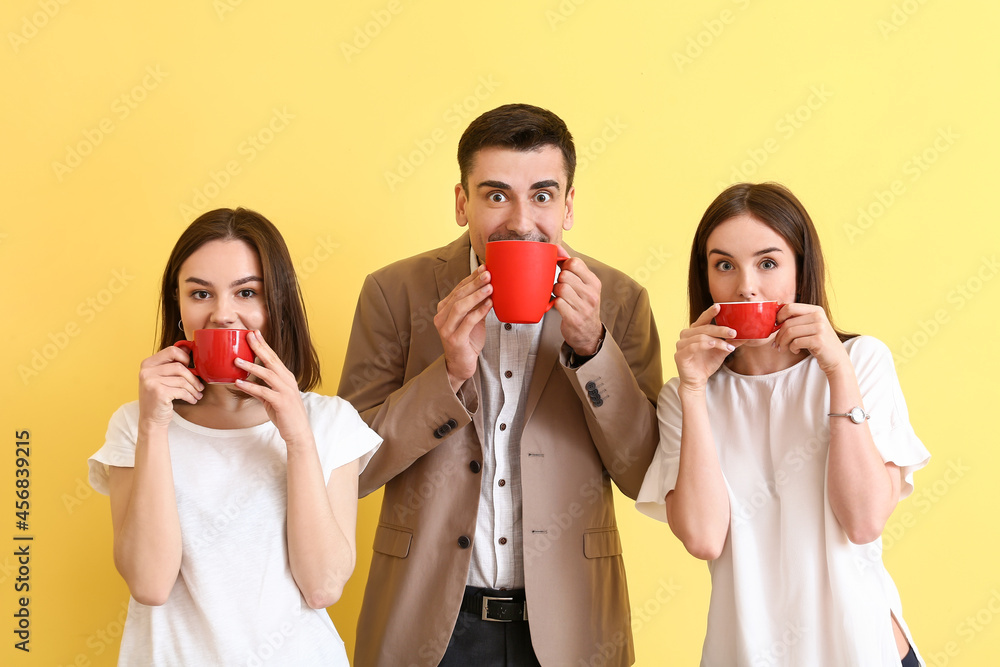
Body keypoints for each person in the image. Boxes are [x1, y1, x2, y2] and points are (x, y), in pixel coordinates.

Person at [339, 103, 661, 666]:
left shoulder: (621, 300)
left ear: (568, 204)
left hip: (572, 626)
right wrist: (448, 374)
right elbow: (350, 471)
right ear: (462, 203)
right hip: (428, 625)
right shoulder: (393, 293)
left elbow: (645, 473)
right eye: (495, 195)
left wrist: (593, 351)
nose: (520, 220)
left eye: (541, 195)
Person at [636, 182, 929, 666]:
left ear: (799, 272)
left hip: (863, 650)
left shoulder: (860, 362)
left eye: (768, 263)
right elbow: (705, 538)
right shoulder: (685, 396)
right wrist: (692, 391)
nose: (746, 285)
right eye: (724, 264)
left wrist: (837, 373)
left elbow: (863, 520)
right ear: (705, 278)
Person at [88, 208, 381, 665]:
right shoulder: (136, 424)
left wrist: (298, 437)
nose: (222, 315)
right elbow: (150, 584)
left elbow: (322, 586)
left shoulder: (330, 423)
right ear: (179, 307)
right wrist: (153, 427)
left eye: (247, 292)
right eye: (200, 293)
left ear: (276, 304)